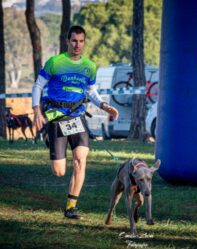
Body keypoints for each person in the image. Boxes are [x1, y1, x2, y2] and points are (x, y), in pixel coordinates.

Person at [32, 25, 119, 219]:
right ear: (67, 41)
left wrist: (105, 106)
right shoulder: (55, 62)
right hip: (56, 118)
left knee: (81, 160)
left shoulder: (89, 66)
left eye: (81, 41)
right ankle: (49, 137)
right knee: (59, 171)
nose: (77, 45)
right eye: (74, 41)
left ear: (84, 42)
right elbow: (37, 86)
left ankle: (71, 207)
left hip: (78, 117)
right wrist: (37, 111)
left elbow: (91, 91)